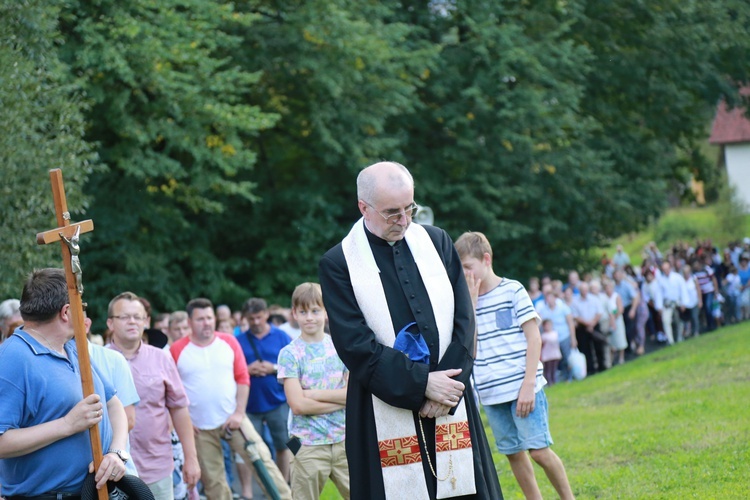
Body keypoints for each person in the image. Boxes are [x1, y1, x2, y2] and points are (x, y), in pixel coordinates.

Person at [318, 161, 502, 499]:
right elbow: (355, 344)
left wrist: (450, 386)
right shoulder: (339, 263)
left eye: (409, 208)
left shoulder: (437, 242)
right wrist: (421, 385)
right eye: (392, 213)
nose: (403, 221)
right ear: (364, 208)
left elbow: (465, 320)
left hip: (450, 398)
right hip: (383, 403)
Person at [455, 231, 574, 500]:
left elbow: (535, 338)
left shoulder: (513, 290)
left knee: (540, 452)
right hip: (491, 394)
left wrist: (529, 385)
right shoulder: (465, 303)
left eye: (468, 268)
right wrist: (470, 309)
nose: (464, 275)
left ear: (486, 260)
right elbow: (469, 350)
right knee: (513, 455)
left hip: (523, 388)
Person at [0, 268, 129, 496]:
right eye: (82, 306)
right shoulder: (12, 358)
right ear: (66, 312)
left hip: (94, 492)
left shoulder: (73, 347)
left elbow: (113, 403)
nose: (84, 313)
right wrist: (67, 424)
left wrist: (116, 453)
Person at [170, 298, 291, 500]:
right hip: (199, 427)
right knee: (214, 483)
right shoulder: (177, 350)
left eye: (209, 317)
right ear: (190, 322)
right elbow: (173, 393)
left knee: (263, 463)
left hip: (234, 419)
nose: (207, 322)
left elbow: (242, 378)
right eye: (200, 319)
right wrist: (186, 422)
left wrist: (239, 412)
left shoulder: (228, 341)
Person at [107, 292, 200, 499]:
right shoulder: (97, 361)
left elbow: (179, 409)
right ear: (110, 323)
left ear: (146, 322)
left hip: (156, 467)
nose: (132, 321)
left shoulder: (162, 359)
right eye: (124, 317)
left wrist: (191, 459)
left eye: (138, 317)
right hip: (112, 469)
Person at [277, 283, 350, 499]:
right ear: (294, 314)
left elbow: (353, 395)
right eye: (303, 311)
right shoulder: (289, 354)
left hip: (344, 440)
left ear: (326, 312)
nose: (309, 317)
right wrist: (342, 399)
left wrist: (311, 394)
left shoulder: (341, 346)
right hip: (307, 446)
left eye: (315, 310)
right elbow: (298, 406)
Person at [236, 297, 293, 482]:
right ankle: (252, 491)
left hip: (278, 401)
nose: (256, 322)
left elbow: (295, 365)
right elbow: (232, 369)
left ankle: (283, 486)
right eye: (251, 319)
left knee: (285, 445)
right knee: (251, 449)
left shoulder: (281, 336)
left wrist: (273, 368)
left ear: (266, 314)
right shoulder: (239, 341)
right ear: (246, 318)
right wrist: (247, 369)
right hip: (250, 404)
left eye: (259, 317)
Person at [535, 285, 577, 382]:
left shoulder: (563, 307)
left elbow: (570, 323)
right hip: (553, 341)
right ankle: (562, 378)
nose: (549, 300)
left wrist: (573, 338)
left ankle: (570, 377)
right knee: (558, 361)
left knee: (567, 359)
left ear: (554, 298)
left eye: (551, 298)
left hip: (564, 337)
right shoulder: (544, 310)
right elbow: (540, 322)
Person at [572, 282, 607, 375]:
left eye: (585, 289)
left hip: (595, 325)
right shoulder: (575, 301)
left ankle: (602, 366)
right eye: (582, 290)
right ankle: (590, 369)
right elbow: (575, 316)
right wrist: (587, 324)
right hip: (582, 328)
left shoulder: (594, 299)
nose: (584, 291)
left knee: (599, 347)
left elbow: (599, 312)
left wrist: (592, 323)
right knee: (586, 349)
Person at [539, 319, 562, 385]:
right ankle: (549, 382)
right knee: (548, 369)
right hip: (547, 355)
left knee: (554, 369)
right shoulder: (543, 336)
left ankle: (555, 381)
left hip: (554, 354)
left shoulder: (555, 333)